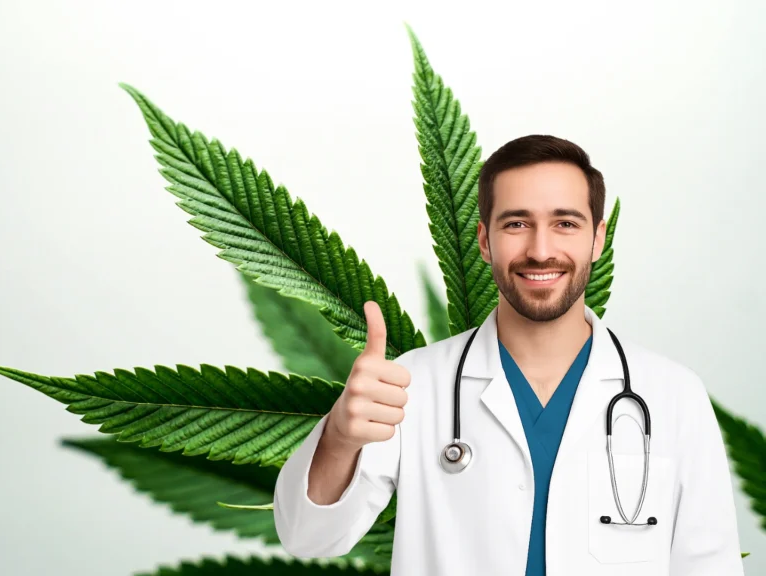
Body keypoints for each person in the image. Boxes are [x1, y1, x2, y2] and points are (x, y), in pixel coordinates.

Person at [272, 135, 745, 575]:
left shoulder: (672, 395)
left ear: (597, 239)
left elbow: (711, 566)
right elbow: (308, 537)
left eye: (565, 223)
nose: (541, 250)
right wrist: (338, 437)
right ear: (484, 240)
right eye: (517, 224)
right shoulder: (410, 383)